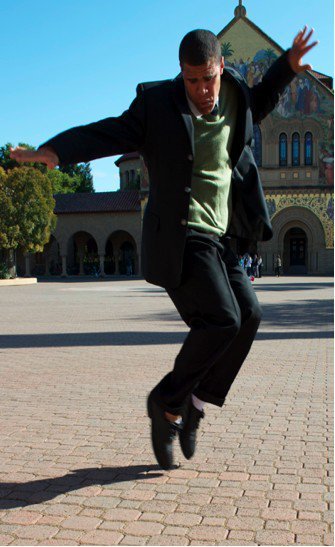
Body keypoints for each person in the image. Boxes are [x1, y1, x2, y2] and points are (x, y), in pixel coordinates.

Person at [10, 26, 317, 470]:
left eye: (208, 79)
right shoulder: (157, 106)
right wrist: (56, 152)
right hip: (180, 235)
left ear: (221, 69)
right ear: (181, 74)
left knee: (250, 316)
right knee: (221, 320)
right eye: (192, 81)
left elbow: (264, 96)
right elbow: (108, 133)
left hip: (221, 237)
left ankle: (193, 401)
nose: (202, 90)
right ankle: (165, 403)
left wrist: (288, 65)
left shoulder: (235, 97)